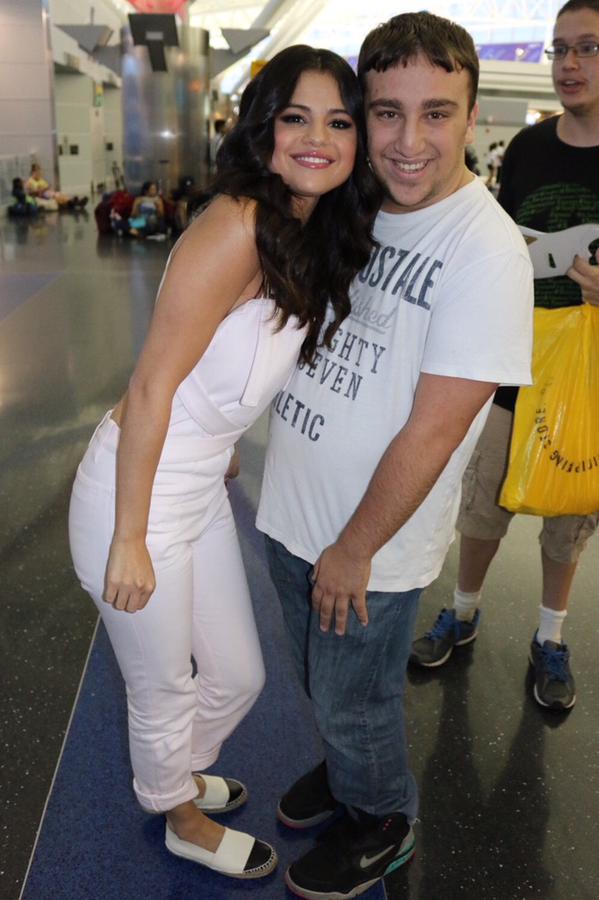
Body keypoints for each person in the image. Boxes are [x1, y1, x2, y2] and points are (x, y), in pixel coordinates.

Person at [68, 44, 378, 882]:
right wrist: (129, 536)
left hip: (198, 479)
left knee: (238, 675)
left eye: (338, 122)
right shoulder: (238, 224)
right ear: (263, 127)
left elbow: (224, 363)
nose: (317, 139)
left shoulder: (302, 231)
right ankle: (178, 815)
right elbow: (151, 383)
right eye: (295, 118)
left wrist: (221, 442)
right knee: (164, 685)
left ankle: (169, 774)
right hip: (136, 494)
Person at [256, 12, 534, 899]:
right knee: (318, 682)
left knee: (356, 700)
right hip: (292, 511)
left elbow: (434, 430)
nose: (408, 142)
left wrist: (355, 547)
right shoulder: (360, 203)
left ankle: (381, 817)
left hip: (366, 545)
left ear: (471, 116)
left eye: (436, 113)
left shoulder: (484, 251)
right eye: (386, 113)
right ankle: (349, 772)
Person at [410, 0, 599, 712]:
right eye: (559, 49)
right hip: (513, 358)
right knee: (483, 499)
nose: (569, 64)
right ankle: (462, 611)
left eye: (587, 48)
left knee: (568, 513)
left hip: (586, 373)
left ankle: (550, 636)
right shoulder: (526, 149)